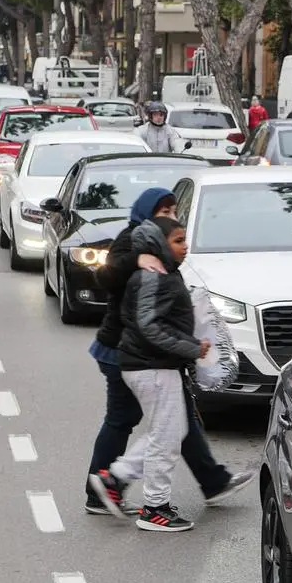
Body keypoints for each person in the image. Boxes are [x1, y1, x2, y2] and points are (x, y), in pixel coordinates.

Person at [84, 187, 252, 516]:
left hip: (145, 351)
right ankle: (115, 488)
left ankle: (208, 480)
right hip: (130, 350)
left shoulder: (163, 246)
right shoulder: (136, 239)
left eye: (173, 209)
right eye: (163, 210)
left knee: (173, 423)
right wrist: (136, 259)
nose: (171, 216)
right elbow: (107, 275)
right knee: (137, 422)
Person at [90, 217, 206, 532]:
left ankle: (115, 477)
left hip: (154, 364)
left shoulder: (164, 273)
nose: (185, 247)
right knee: (166, 436)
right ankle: (155, 509)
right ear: (158, 243)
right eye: (178, 240)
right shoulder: (154, 276)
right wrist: (192, 348)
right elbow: (148, 326)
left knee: (172, 431)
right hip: (152, 366)